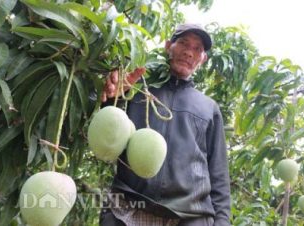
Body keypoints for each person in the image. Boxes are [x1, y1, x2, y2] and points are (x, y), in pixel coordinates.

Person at [99, 23, 231, 226]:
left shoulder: (208, 108)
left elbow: (218, 173)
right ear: (168, 46)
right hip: (127, 209)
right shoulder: (136, 88)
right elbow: (109, 132)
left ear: (202, 60)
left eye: (198, 49)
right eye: (183, 43)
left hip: (189, 216)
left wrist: (222, 222)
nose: (189, 52)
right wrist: (114, 97)